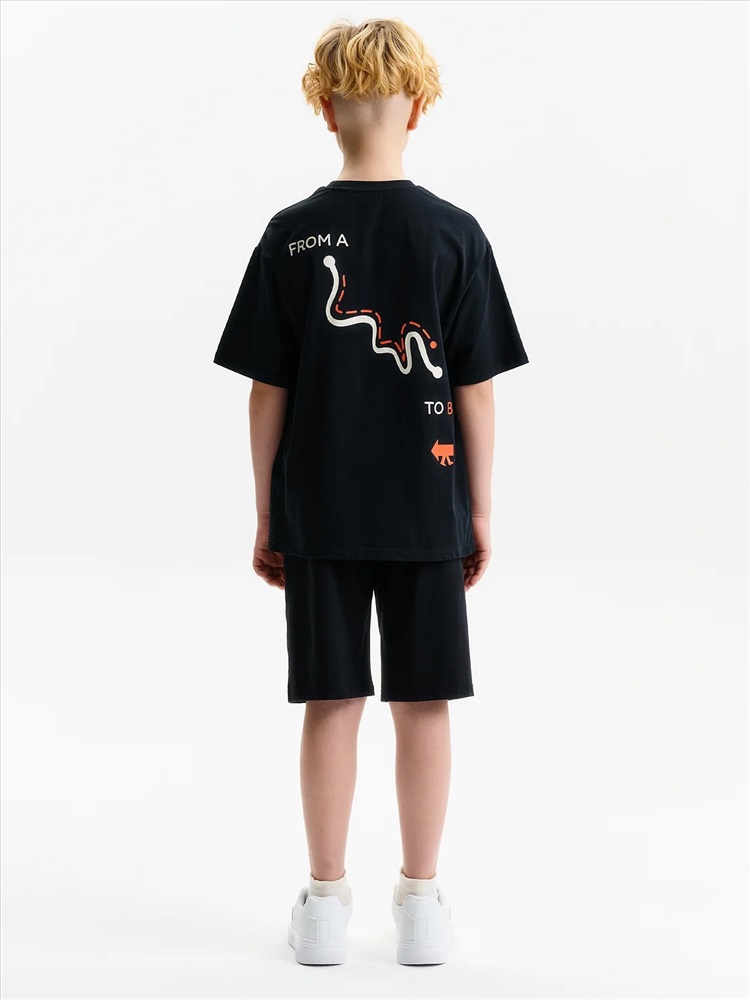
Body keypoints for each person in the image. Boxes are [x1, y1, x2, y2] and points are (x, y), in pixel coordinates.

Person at [212, 16, 530, 966]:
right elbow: (474, 388)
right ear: (419, 108)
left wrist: (267, 511)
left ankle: (323, 903)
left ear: (325, 110)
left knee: (332, 699)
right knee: (423, 702)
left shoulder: (290, 235)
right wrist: (478, 510)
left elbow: (268, 390)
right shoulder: (454, 234)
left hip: (319, 507)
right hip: (426, 506)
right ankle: (421, 903)